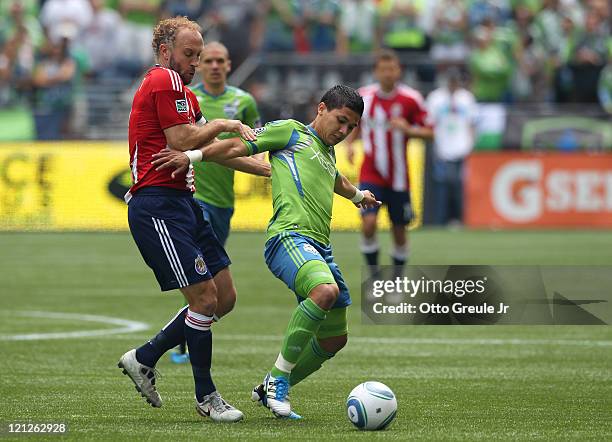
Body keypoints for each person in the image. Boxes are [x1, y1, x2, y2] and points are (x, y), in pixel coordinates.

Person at [151, 84, 380, 419]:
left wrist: (359, 196)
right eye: (341, 120)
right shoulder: (289, 131)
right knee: (324, 291)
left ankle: (267, 386)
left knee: (334, 339)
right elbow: (234, 146)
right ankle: (278, 380)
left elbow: (335, 179)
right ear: (321, 109)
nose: (344, 131)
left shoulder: (326, 152)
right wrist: (192, 156)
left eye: (351, 127)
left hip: (320, 247)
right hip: (288, 239)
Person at [117, 16, 269, 423]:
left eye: (199, 56)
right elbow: (182, 141)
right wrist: (224, 122)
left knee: (226, 297)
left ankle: (145, 357)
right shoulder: (162, 80)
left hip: (184, 202)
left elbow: (214, 150)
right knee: (204, 300)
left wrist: (269, 169)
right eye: (191, 55)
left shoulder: (182, 91)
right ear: (166, 51)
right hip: (157, 204)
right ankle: (207, 398)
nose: (196, 63)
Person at [169, 40, 262, 364]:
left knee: (215, 290)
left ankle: (184, 330)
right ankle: (184, 338)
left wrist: (266, 165)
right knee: (210, 284)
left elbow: (255, 139)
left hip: (224, 201)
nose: (213, 66)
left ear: (229, 64)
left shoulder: (244, 102)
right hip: (196, 199)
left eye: (219, 60)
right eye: (207, 60)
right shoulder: (189, 99)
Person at [346, 49, 432, 276]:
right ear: (376, 72)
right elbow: (355, 124)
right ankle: (374, 274)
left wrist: (409, 129)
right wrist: (350, 145)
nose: (387, 74)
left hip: (399, 177)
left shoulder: (411, 99)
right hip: (371, 172)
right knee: (368, 224)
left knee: (399, 230)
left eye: (391, 69)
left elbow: (430, 133)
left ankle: (396, 278)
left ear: (398, 71)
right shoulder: (364, 97)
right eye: (383, 69)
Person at [425, 68, 477, 225]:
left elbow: (472, 123)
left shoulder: (466, 98)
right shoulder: (435, 98)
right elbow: (429, 123)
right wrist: (434, 145)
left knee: (459, 186)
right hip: (442, 148)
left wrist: (471, 145)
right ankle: (441, 220)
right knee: (443, 185)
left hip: (462, 147)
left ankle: (460, 220)